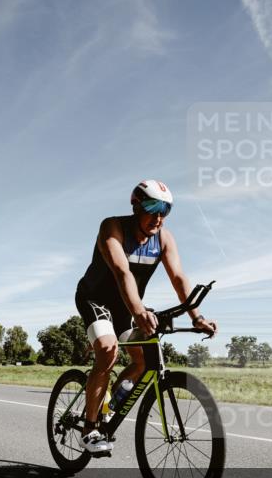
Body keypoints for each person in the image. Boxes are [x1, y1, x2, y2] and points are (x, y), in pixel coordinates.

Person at [74, 180, 217, 454]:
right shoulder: (112, 227)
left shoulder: (163, 238)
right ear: (136, 206)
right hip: (96, 298)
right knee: (107, 350)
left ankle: (107, 404)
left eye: (166, 210)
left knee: (144, 358)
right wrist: (140, 312)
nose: (159, 217)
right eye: (152, 207)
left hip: (128, 305)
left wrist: (196, 316)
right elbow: (121, 272)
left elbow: (178, 278)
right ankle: (89, 427)